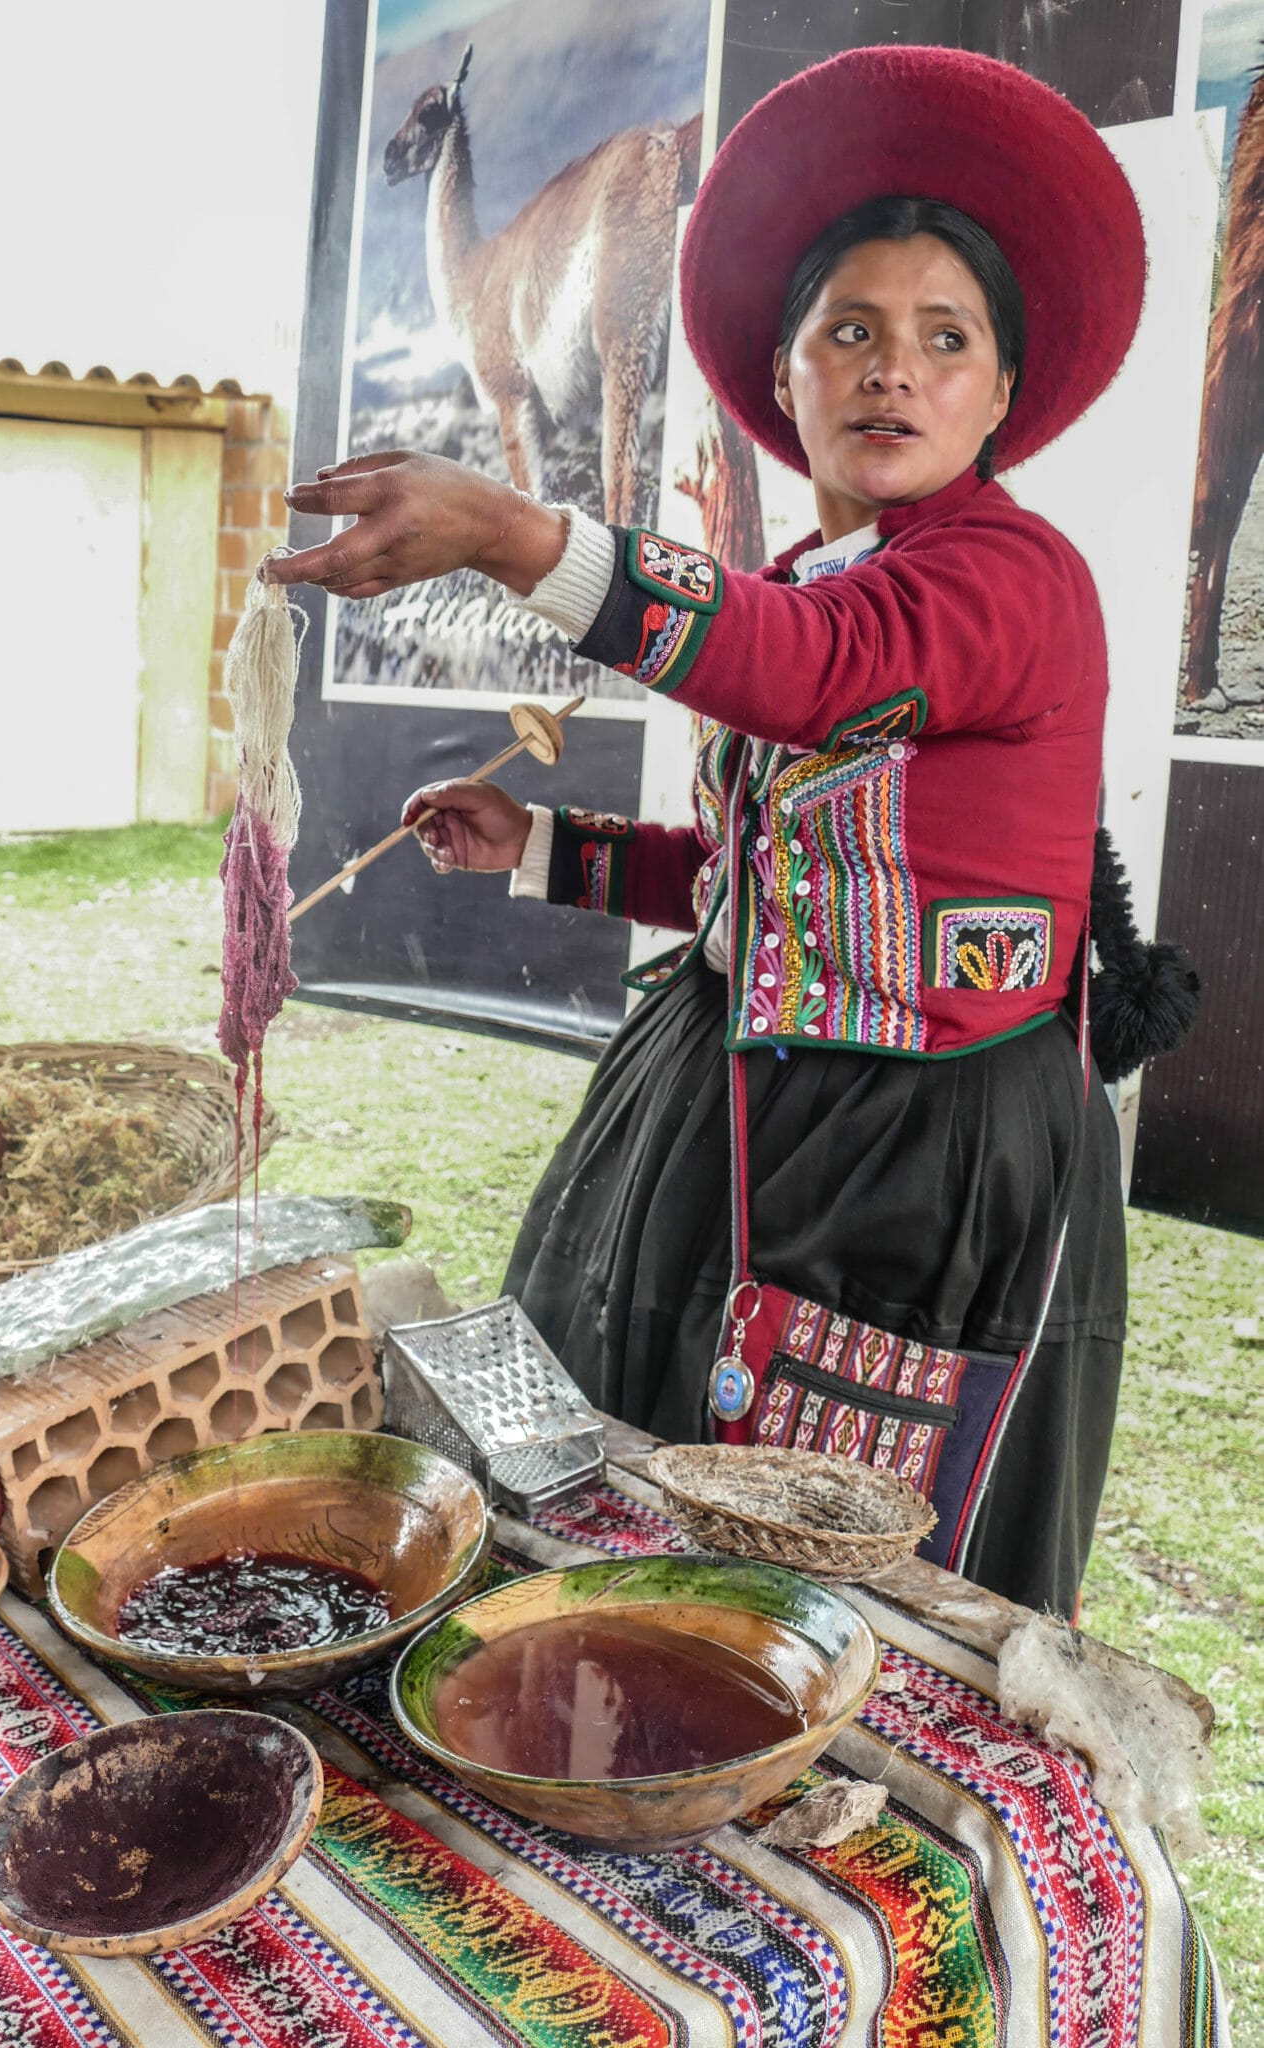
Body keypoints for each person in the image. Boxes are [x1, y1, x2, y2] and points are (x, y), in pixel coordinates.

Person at [267, 46, 1149, 1617]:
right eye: (851, 331)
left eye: (945, 340)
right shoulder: (809, 574)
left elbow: (811, 679)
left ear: (1000, 394)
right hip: (735, 1092)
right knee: (678, 1471)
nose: (893, 367)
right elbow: (759, 880)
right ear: (787, 370)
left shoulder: (1008, 581)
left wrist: (505, 528)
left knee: (859, 1533)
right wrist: (538, 849)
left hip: (918, 1151)